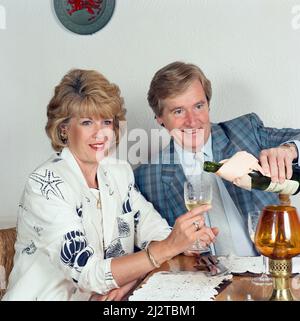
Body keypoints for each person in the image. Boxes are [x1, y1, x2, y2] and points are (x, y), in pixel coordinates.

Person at [3, 69, 217, 301]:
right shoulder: (46, 185)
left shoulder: (118, 173)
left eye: (106, 121)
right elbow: (89, 274)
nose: (100, 133)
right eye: (86, 122)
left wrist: (133, 278)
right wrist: (167, 248)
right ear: (64, 128)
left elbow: (157, 232)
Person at [134, 61, 300, 257]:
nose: (192, 120)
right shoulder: (146, 178)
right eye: (178, 111)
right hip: (202, 283)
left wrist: (290, 150)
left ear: (208, 104)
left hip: (272, 271)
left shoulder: (245, 130)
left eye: (198, 106)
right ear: (159, 118)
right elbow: (149, 249)